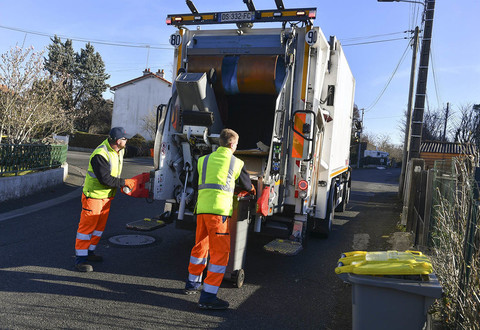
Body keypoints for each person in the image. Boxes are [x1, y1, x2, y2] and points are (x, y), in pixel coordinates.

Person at [184, 128, 255, 310]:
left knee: (200, 246)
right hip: (219, 212)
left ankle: (192, 283)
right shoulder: (236, 162)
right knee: (219, 254)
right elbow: (247, 185)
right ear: (232, 144)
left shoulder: (203, 160)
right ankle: (208, 296)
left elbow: (195, 183)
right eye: (236, 144)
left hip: (202, 210)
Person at [74, 127, 135, 272]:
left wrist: (154, 149)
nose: (127, 141)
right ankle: (80, 260)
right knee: (86, 229)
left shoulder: (118, 149)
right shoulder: (100, 154)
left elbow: (134, 150)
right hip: (94, 197)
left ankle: (90, 252)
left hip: (105, 197)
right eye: (125, 139)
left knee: (98, 228)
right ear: (118, 141)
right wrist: (124, 182)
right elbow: (105, 180)